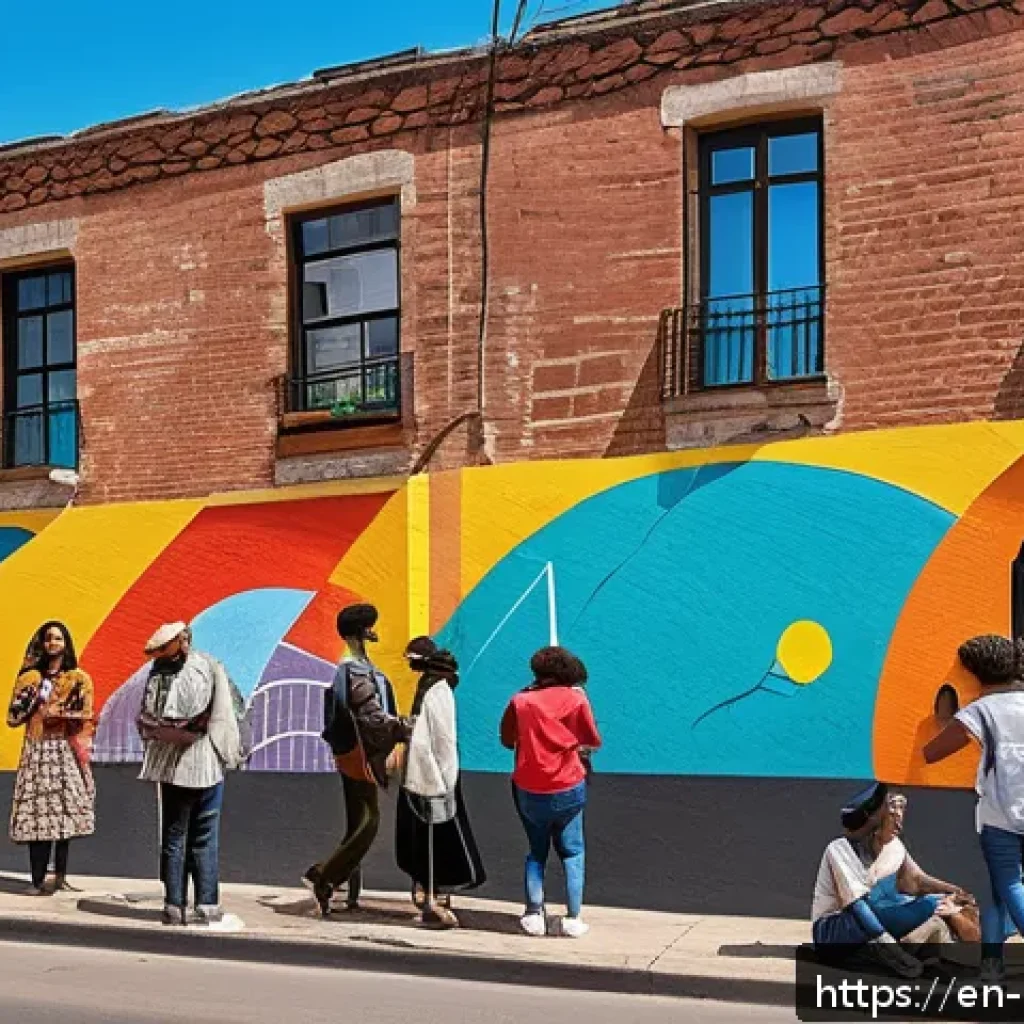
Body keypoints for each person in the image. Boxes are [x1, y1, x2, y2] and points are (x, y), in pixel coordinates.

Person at [924, 634, 1024, 983]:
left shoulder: (981, 711)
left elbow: (933, 752)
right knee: (996, 890)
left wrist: (945, 717)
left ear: (974, 673)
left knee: (1010, 883)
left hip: (1000, 816)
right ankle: (992, 964)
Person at [304, 603, 410, 918]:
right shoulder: (357, 670)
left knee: (356, 820)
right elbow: (372, 716)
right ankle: (323, 877)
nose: (374, 631)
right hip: (363, 754)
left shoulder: (351, 666)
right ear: (363, 632)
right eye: (370, 626)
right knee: (369, 820)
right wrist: (406, 727)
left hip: (351, 753)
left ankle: (346, 890)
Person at [137, 621, 245, 929]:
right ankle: (204, 904)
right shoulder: (206, 667)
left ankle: (176, 904)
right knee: (200, 835)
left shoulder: (161, 673)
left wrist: (165, 731)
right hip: (201, 760)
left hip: (182, 761)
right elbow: (223, 712)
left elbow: (151, 718)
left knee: (177, 835)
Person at [811, 782, 974, 978]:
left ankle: (943, 959)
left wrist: (956, 893)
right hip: (833, 932)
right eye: (892, 815)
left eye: (901, 814)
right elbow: (858, 906)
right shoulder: (839, 849)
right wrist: (890, 949)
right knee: (924, 905)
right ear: (875, 820)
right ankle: (893, 954)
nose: (899, 822)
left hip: (868, 925)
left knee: (938, 904)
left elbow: (916, 881)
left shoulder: (894, 847)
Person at [500, 646, 601, 939]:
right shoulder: (576, 699)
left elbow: (507, 739)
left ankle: (534, 913)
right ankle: (572, 917)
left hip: (529, 786)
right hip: (569, 785)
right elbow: (591, 739)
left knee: (536, 852)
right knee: (573, 851)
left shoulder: (520, 701)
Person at [396, 637, 485, 928]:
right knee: (424, 837)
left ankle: (433, 896)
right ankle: (430, 895)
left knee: (435, 837)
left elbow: (442, 739)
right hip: (425, 773)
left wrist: (444, 780)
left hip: (433, 776)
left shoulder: (437, 690)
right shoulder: (432, 687)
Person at [7, 622, 95, 895]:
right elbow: (13, 717)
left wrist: (61, 714)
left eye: (58, 638)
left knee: (64, 815)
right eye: (48, 639)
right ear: (42, 644)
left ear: (66, 644)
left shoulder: (78, 678)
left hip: (65, 749)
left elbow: (86, 713)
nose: (53, 643)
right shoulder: (30, 678)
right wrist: (32, 700)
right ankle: (36, 879)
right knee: (38, 815)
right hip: (37, 749)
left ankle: (60, 877)